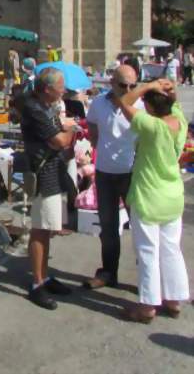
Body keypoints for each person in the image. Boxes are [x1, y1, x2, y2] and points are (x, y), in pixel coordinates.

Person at [117, 79, 189, 323]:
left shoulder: (151, 126)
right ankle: (174, 298)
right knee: (171, 248)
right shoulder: (179, 120)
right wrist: (169, 90)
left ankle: (148, 305)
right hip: (172, 194)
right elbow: (175, 103)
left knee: (148, 250)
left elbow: (124, 102)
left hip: (149, 194)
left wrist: (147, 86)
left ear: (148, 106)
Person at [83, 65, 143, 289]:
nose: (128, 89)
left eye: (132, 85)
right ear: (112, 83)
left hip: (132, 173)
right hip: (105, 173)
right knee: (108, 228)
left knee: (140, 228)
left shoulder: (140, 104)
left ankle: (147, 280)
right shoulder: (99, 102)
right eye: (123, 85)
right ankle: (108, 272)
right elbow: (91, 121)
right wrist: (96, 140)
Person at [21, 68, 76, 310]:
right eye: (60, 86)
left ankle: (44, 276)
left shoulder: (46, 106)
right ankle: (36, 283)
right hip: (43, 174)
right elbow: (59, 141)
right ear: (47, 89)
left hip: (52, 171)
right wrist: (71, 129)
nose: (64, 90)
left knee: (48, 228)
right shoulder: (35, 109)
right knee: (40, 228)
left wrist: (65, 128)